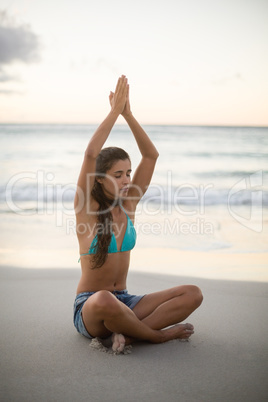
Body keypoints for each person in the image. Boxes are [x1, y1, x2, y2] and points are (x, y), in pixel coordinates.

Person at [73, 75, 203, 353]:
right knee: (106, 299)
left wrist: (129, 115)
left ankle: (129, 336)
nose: (127, 179)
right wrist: (113, 113)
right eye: (118, 174)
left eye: (128, 173)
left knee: (192, 293)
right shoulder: (86, 207)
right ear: (98, 178)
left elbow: (151, 155)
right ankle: (157, 336)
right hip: (92, 307)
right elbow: (90, 154)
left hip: (126, 302)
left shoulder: (129, 203)